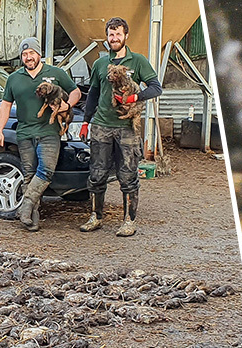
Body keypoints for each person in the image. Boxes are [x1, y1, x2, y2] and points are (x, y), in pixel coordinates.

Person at [79, 16, 162, 237]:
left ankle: (128, 220)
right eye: (110, 34)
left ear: (126, 35)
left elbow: (156, 88)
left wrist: (135, 97)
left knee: (127, 175)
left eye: (118, 34)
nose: (114, 38)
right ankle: (96, 217)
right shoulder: (99, 64)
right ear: (107, 38)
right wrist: (86, 121)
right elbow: (93, 94)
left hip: (126, 128)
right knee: (96, 174)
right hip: (101, 126)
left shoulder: (138, 61)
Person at [0, 37, 80, 231]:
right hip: (24, 132)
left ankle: (24, 208)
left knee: (45, 171)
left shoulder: (56, 73)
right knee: (28, 174)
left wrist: (67, 105)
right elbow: (5, 105)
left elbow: (75, 92)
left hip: (49, 131)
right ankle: (32, 217)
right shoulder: (14, 78)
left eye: (31, 53)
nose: (28, 57)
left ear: (39, 54)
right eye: (24, 54)